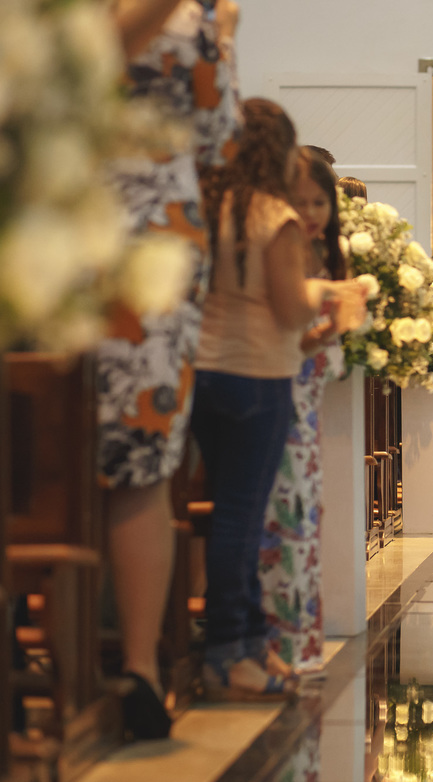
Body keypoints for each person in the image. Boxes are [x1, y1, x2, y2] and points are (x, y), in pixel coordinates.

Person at [101, 0, 242, 740]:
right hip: (140, 234)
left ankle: (136, 668)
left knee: (134, 453)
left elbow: (219, 138)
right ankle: (138, 668)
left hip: (124, 236)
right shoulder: (192, 17)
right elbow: (219, 140)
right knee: (139, 457)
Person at [192, 98, 362, 699]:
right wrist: (335, 298)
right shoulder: (274, 216)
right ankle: (230, 654)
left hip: (205, 372)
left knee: (228, 513)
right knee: (242, 519)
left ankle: (245, 647)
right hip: (259, 374)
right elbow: (290, 310)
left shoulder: (209, 203)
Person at [258, 148, 353, 675]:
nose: (312, 213)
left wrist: (337, 327)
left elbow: (315, 342)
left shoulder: (324, 252)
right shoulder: (279, 251)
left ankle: (300, 640)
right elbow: (283, 336)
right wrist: (328, 327)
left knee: (306, 514)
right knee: (282, 517)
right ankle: (274, 641)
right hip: (276, 391)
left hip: (307, 395)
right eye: (302, 202)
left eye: (321, 202)